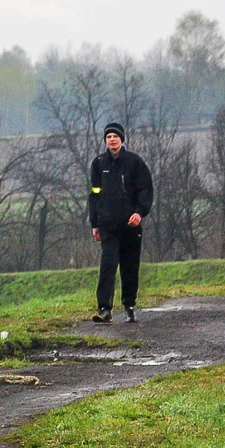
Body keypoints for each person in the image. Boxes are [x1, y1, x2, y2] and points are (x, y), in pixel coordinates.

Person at [88, 121, 153, 324]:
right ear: (105, 141)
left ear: (121, 139)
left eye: (115, 136)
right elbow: (94, 194)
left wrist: (140, 212)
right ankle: (104, 309)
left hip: (130, 226)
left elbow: (145, 189)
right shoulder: (98, 164)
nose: (112, 140)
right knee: (108, 265)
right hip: (107, 225)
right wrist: (95, 223)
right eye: (108, 137)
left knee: (129, 266)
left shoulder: (135, 162)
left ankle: (129, 305)